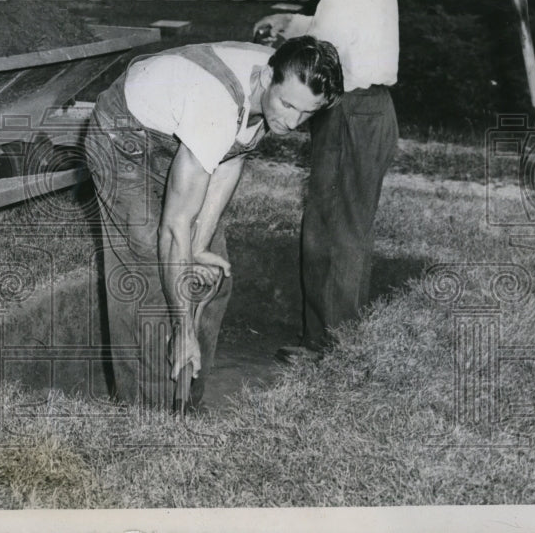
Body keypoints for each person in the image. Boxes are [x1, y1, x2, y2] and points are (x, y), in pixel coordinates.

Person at [84, 37, 344, 411]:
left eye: (306, 114)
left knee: (211, 277)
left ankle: (185, 403)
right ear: (266, 77)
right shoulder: (215, 102)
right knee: (148, 278)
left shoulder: (279, 82)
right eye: (287, 105)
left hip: (177, 135)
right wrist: (182, 326)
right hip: (120, 138)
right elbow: (174, 227)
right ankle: (146, 418)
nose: (291, 122)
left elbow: (232, 155)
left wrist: (201, 246)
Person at [253, 0, 399, 361]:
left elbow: (319, 57)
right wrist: (289, 22)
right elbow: (330, 32)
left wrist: (274, 52)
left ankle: (328, 345)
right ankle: (333, 339)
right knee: (340, 223)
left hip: (352, 113)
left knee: (333, 228)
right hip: (369, 110)